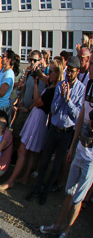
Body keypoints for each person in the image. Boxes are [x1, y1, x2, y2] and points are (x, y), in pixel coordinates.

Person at [39, 75, 93, 238]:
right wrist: (73, 146)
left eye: (92, 63)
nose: (90, 68)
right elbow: (82, 116)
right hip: (79, 149)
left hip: (91, 157)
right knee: (69, 192)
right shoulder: (90, 85)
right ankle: (57, 227)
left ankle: (66, 232)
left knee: (78, 198)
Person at [27, 56, 85, 205]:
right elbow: (52, 109)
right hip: (54, 128)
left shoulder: (81, 89)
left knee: (56, 165)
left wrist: (68, 100)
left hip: (66, 132)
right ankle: (37, 189)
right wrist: (61, 99)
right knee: (45, 161)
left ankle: (45, 191)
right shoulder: (60, 85)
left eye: (72, 72)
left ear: (77, 72)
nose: (69, 74)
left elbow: (77, 115)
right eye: (68, 71)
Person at [0, 60, 64, 190]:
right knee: (30, 152)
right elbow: (42, 76)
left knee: (23, 149)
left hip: (38, 117)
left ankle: (11, 180)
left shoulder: (53, 90)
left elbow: (37, 100)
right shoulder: (51, 83)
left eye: (50, 72)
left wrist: (34, 84)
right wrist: (37, 68)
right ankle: (24, 177)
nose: (47, 74)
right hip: (37, 116)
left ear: (57, 74)